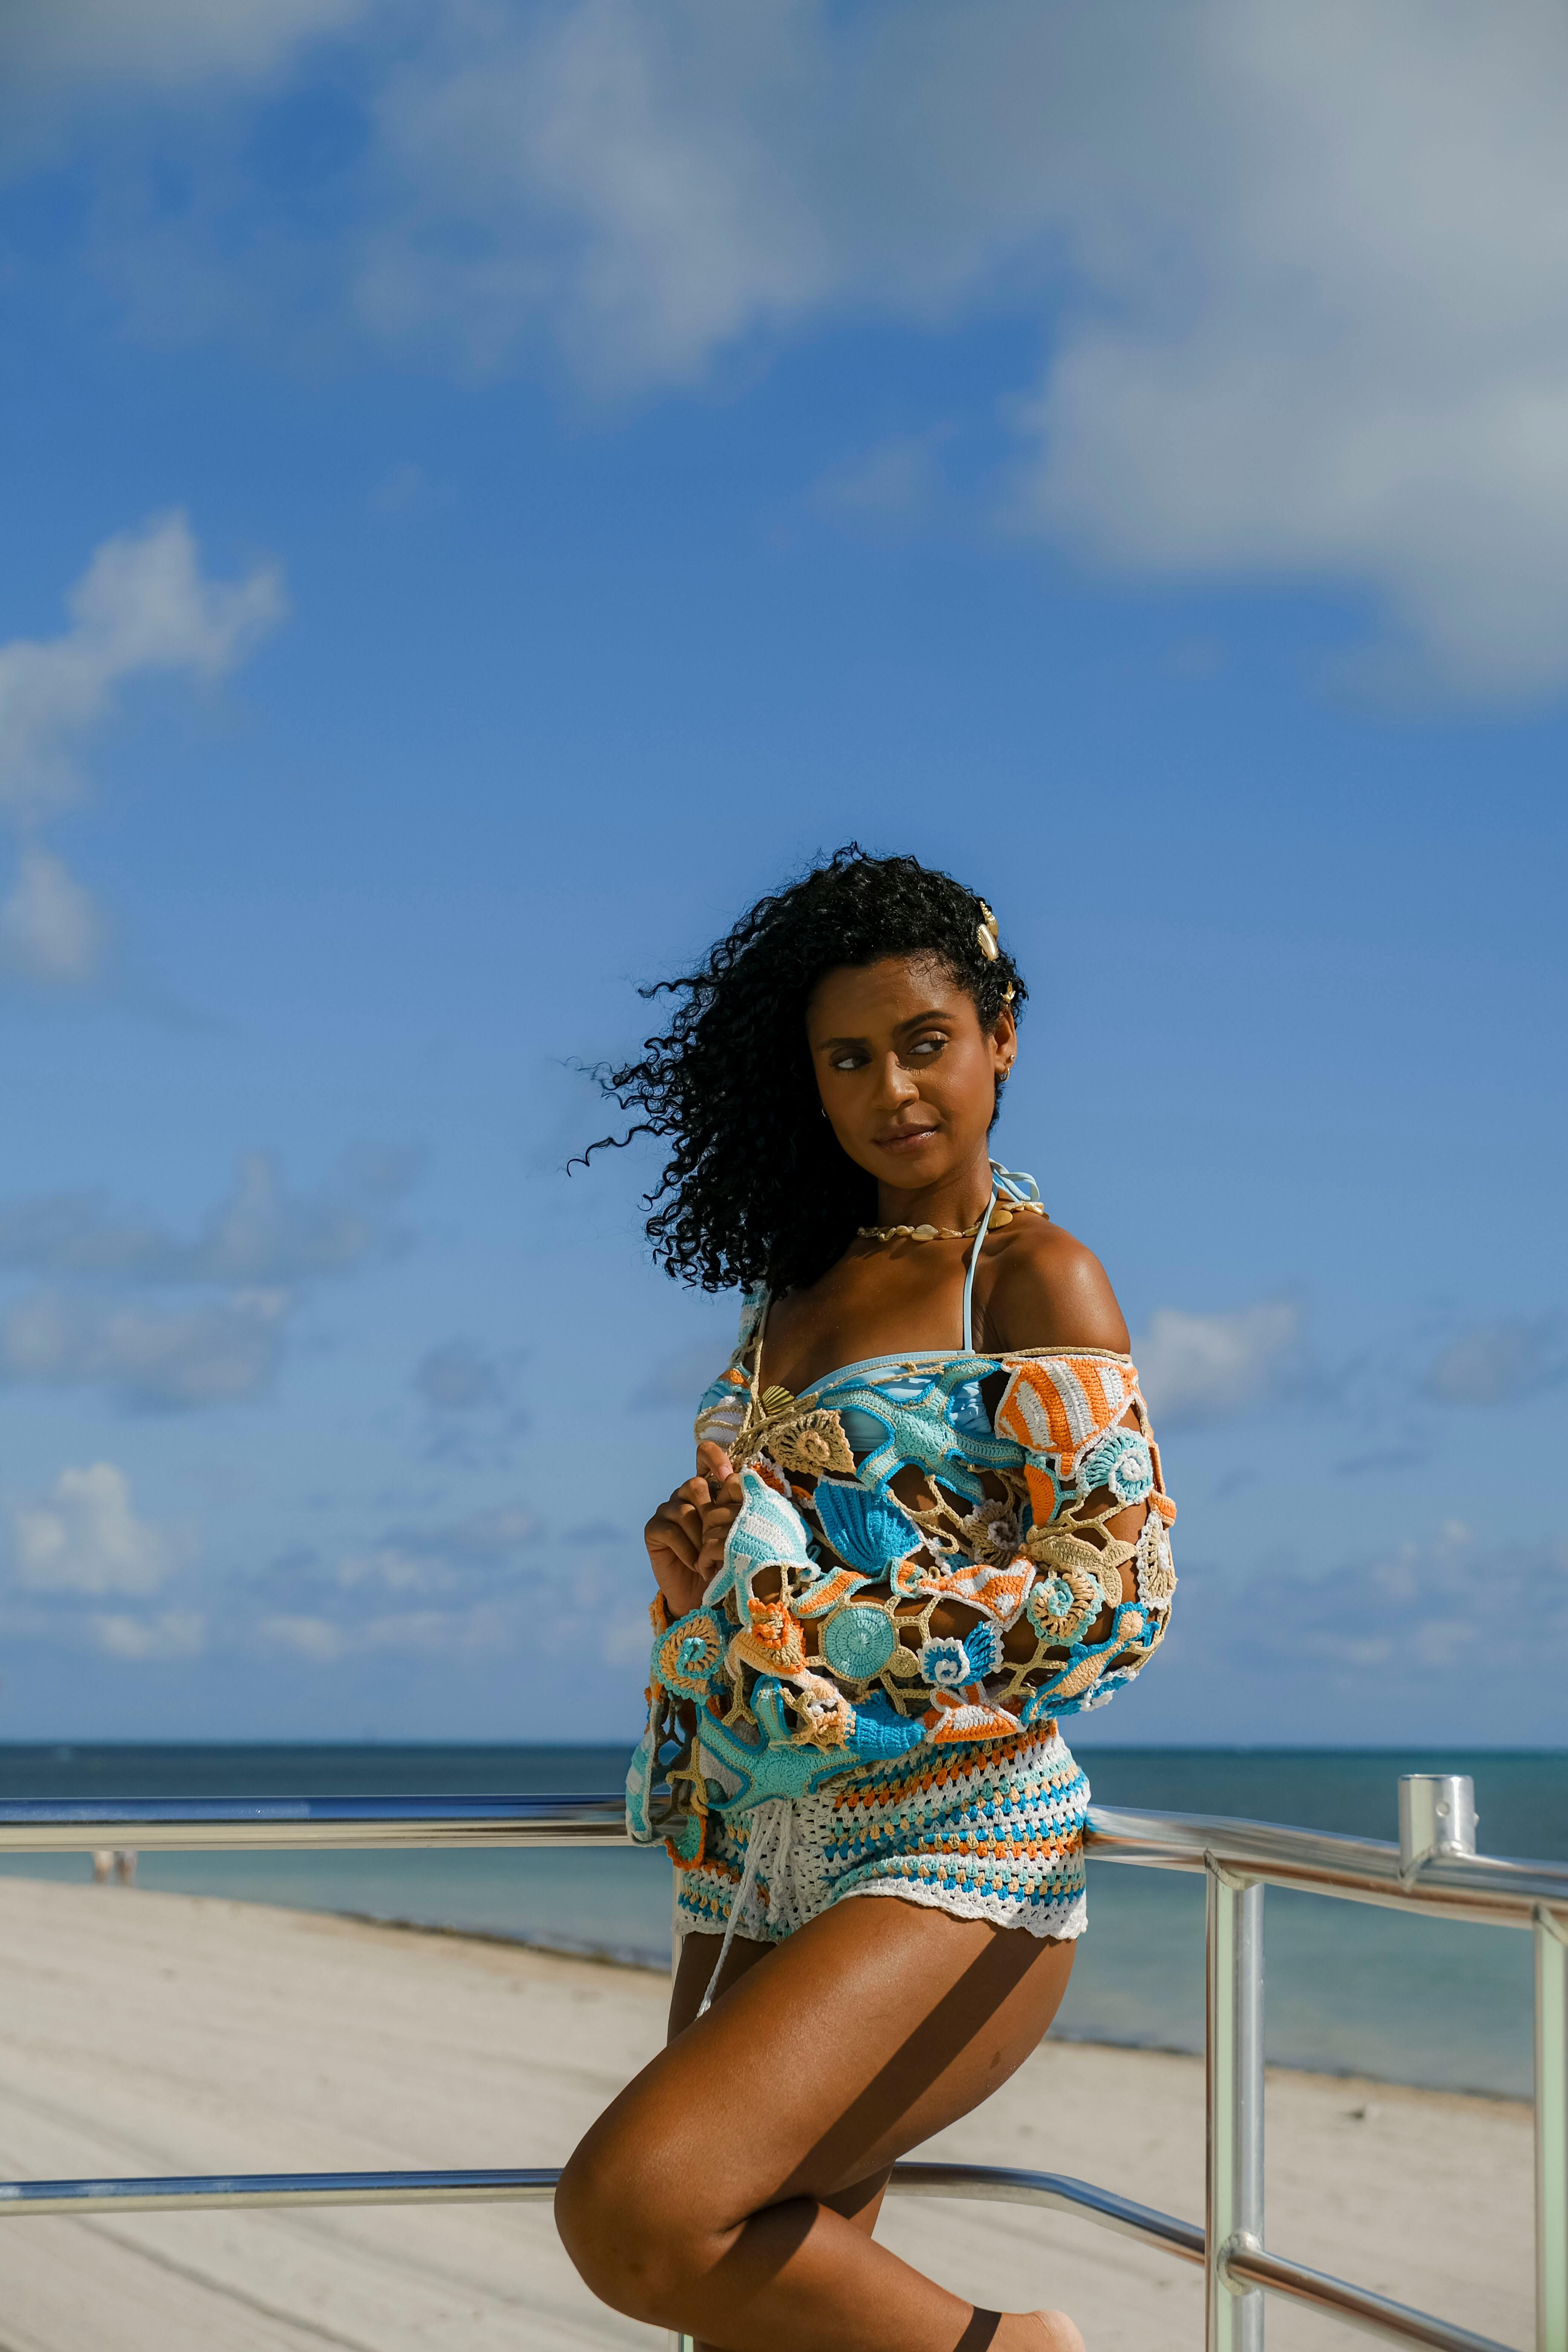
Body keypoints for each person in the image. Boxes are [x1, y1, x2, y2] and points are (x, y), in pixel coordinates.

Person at [556, 849, 1177, 2352]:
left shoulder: (1032, 1278)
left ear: (999, 1038)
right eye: (850, 1059)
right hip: (761, 1851)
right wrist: (694, 1572)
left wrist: (841, 1619)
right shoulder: (788, 1287)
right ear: (811, 1081)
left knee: (635, 2211)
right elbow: (766, 1592)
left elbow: (1113, 1590)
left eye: (925, 1044)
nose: (895, 1091)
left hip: (958, 1844)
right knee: (743, 2311)